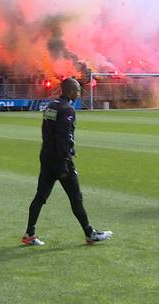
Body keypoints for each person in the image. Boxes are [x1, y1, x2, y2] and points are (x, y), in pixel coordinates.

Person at [23, 78, 112, 246]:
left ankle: (29, 234)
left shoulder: (50, 106)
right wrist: (65, 158)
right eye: (77, 90)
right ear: (70, 91)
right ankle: (89, 233)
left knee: (40, 196)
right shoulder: (68, 109)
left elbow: (48, 132)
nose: (79, 93)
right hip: (60, 160)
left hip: (47, 156)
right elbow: (64, 136)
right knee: (76, 198)